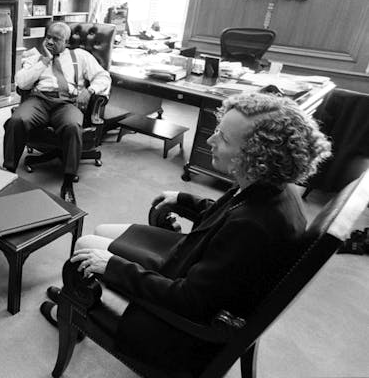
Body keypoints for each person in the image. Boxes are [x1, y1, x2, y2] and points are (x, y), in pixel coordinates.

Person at [40, 92, 332, 375]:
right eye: (218, 129)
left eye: (224, 139)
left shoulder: (253, 227)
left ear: (257, 156)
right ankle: (75, 295)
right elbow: (229, 210)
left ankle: (73, 309)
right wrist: (184, 199)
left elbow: (190, 301)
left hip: (180, 322)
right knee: (100, 232)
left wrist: (112, 265)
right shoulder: (270, 185)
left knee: (84, 249)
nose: (209, 140)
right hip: (193, 258)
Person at [3, 22, 110, 205]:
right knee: (17, 120)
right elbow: (21, 83)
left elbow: (103, 76)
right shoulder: (36, 57)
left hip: (67, 102)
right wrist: (44, 60)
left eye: (56, 39)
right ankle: (8, 172)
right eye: (48, 37)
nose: (50, 41)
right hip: (40, 100)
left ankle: (68, 183)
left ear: (66, 42)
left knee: (73, 126)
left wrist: (90, 91)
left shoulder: (81, 56)